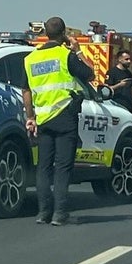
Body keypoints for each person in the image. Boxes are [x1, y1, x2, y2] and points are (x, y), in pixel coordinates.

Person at [23, 16, 94, 226]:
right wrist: (78, 50)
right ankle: (59, 213)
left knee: (43, 168)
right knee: (62, 167)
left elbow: (26, 91)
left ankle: (43, 213)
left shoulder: (30, 59)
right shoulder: (66, 55)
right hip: (65, 116)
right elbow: (90, 74)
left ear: (46, 33)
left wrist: (30, 117)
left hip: (43, 119)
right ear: (63, 34)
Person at [106, 50, 132, 117]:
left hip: (129, 106)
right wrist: (120, 85)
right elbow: (107, 89)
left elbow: (131, 90)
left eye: (129, 59)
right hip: (117, 106)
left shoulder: (128, 73)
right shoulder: (112, 72)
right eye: (126, 59)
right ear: (120, 59)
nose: (129, 61)